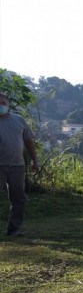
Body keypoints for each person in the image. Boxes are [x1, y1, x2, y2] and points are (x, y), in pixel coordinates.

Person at [0, 92, 38, 237]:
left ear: (8, 105)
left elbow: (29, 141)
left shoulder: (19, 120)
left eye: (3, 103)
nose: (1, 106)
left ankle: (14, 229)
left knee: (19, 198)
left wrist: (35, 160)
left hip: (17, 166)